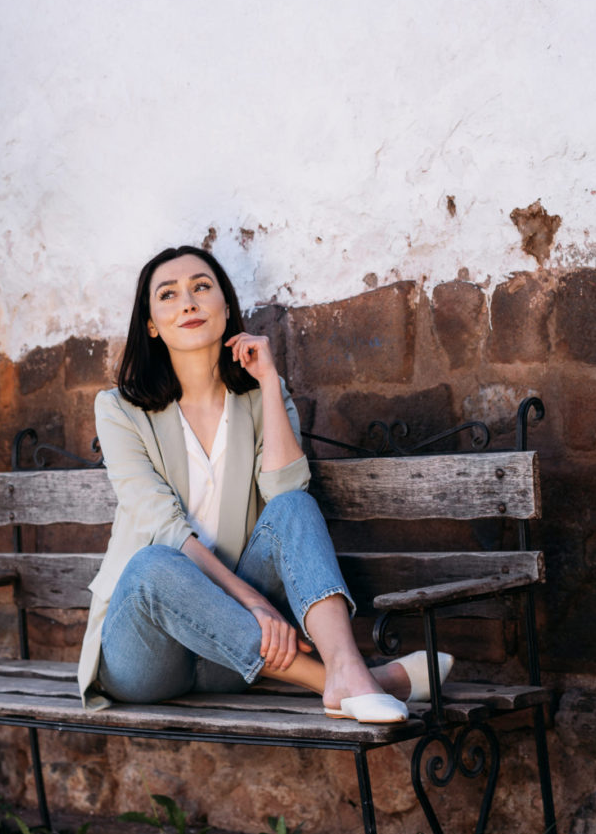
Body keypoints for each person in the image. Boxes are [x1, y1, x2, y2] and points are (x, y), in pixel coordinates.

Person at [77, 245, 452, 720]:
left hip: (232, 653)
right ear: (151, 323)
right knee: (153, 563)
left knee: (295, 509)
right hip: (146, 656)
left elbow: (285, 492)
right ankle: (356, 680)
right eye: (168, 295)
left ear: (226, 307)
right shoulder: (119, 410)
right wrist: (254, 601)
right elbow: (161, 524)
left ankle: (343, 663)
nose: (188, 303)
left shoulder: (261, 397)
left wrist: (269, 384)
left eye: (201, 287)